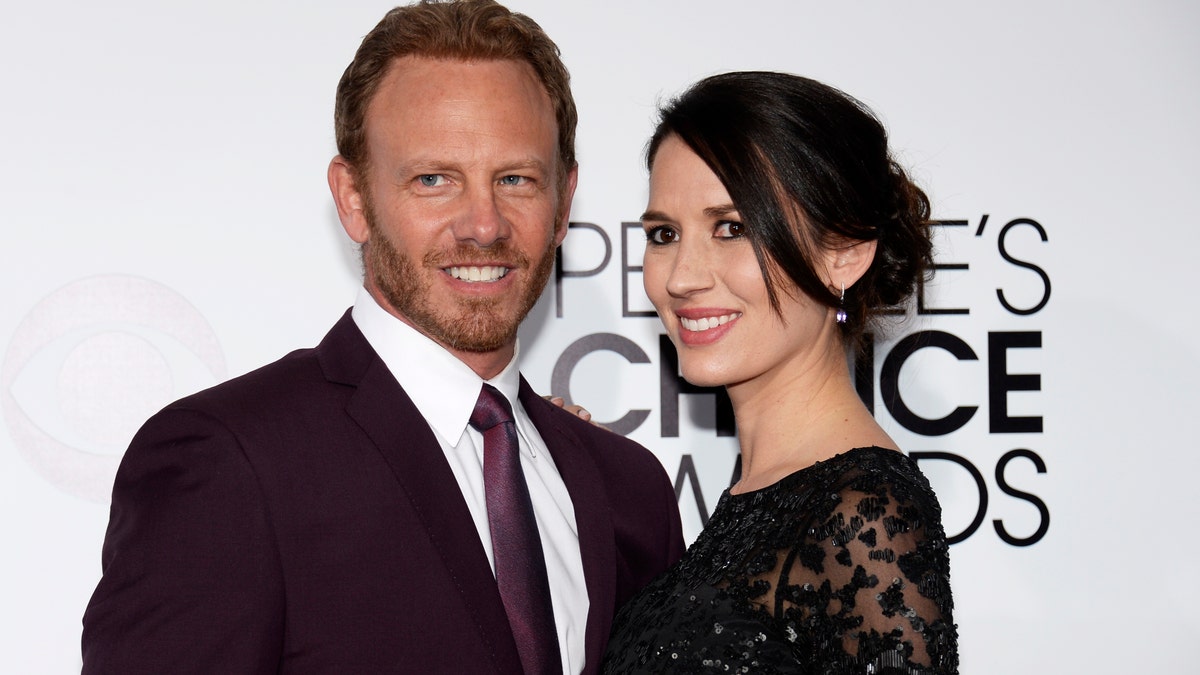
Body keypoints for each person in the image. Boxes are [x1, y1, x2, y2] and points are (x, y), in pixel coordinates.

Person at [81, 2, 684, 673]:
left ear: (565, 199)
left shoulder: (632, 492)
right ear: (354, 198)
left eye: (516, 179)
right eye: (434, 180)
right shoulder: (230, 463)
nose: (483, 225)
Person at [601, 71, 958, 673]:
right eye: (664, 234)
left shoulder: (862, 515)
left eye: (732, 228)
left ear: (843, 252)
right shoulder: (757, 496)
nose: (681, 276)